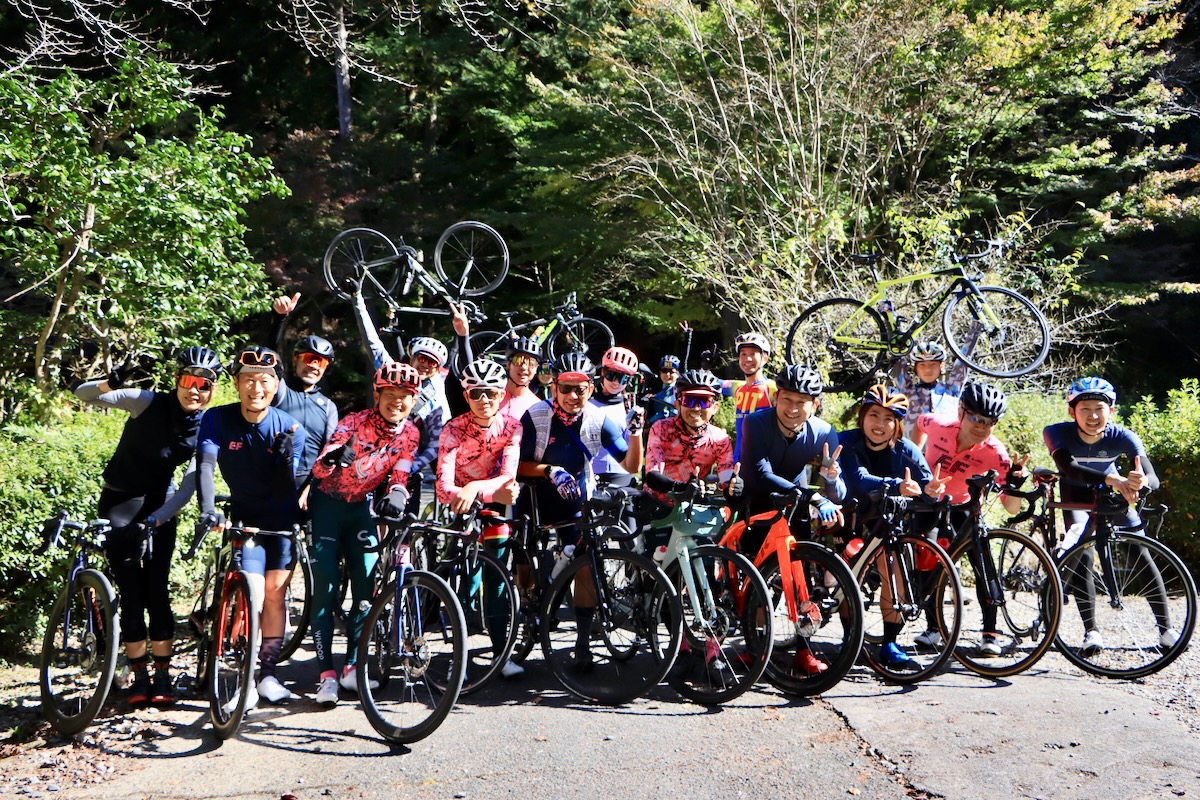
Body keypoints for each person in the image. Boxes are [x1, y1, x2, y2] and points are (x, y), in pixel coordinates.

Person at [74, 346, 223, 707]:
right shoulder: (146, 401)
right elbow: (83, 394)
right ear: (177, 381)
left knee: (157, 591)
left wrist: (158, 519)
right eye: (189, 381)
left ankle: (161, 675)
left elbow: (192, 482)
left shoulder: (206, 425)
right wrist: (108, 383)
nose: (195, 390)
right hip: (120, 503)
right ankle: (138, 673)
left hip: (160, 506)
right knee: (132, 591)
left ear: (212, 390)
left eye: (204, 385)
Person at [516, 352, 644, 669]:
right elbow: (515, 465)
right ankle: (528, 611)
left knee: (585, 562)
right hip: (535, 494)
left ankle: (583, 642)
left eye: (581, 388)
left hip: (576, 498)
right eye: (567, 388)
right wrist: (549, 470)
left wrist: (637, 432)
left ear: (591, 387)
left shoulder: (600, 419)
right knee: (524, 557)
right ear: (555, 386)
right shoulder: (536, 416)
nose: (574, 396)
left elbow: (630, 465)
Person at [306, 361, 423, 706]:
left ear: (414, 400)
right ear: (377, 394)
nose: (397, 402)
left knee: (366, 589)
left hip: (359, 509)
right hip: (326, 505)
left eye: (405, 396)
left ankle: (353, 668)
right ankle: (326, 675)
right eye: (390, 394)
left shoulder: (411, 433)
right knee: (326, 588)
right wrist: (333, 457)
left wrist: (397, 497)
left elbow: (400, 475)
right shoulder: (354, 422)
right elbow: (319, 465)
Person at [196, 346, 305, 708]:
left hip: (281, 519)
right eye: (248, 381)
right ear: (236, 384)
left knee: (274, 593)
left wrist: (284, 460)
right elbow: (206, 465)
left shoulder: (289, 427)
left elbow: (287, 488)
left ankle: (268, 674)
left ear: (275, 387)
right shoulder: (216, 419)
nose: (256, 388)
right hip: (244, 517)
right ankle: (244, 680)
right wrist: (209, 509)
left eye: (264, 381)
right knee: (253, 590)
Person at [1043, 377, 1177, 651]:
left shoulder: (1123, 435)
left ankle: (1166, 630)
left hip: (1111, 495)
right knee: (1082, 551)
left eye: (1099, 408)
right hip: (1077, 494)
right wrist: (1115, 480)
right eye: (1085, 409)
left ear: (1111, 411)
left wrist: (1140, 485)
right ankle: (1091, 632)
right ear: (1072, 412)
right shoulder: (1056, 432)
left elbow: (1152, 477)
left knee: (1141, 552)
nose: (1093, 416)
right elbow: (1069, 468)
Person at [738, 364, 844, 675]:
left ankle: (803, 648)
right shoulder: (757, 422)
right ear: (776, 397)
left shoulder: (823, 433)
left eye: (802, 401)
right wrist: (812, 495)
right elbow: (758, 472)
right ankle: (752, 643)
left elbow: (837, 489)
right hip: (757, 498)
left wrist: (831, 480)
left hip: (794, 505)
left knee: (799, 579)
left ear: (815, 404)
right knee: (755, 578)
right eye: (787, 399)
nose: (793, 408)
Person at [837, 384, 946, 670]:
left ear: (897, 424)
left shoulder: (906, 448)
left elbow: (925, 485)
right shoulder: (846, 441)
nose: (880, 424)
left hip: (886, 522)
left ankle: (889, 642)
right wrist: (897, 485)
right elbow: (859, 478)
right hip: (851, 517)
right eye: (874, 415)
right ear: (862, 416)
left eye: (889, 419)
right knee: (849, 576)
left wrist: (932, 491)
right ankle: (850, 639)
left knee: (895, 572)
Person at [916, 380, 1026, 655]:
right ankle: (934, 628)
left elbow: (1011, 508)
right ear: (961, 411)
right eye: (975, 417)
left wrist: (1014, 482)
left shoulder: (996, 453)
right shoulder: (939, 425)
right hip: (928, 502)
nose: (980, 426)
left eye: (989, 422)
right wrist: (914, 456)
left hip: (964, 508)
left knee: (983, 566)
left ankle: (990, 633)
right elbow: (919, 423)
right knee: (927, 564)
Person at [436, 358, 524, 678]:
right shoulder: (453, 429)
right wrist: (474, 492)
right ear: (466, 395)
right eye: (476, 394)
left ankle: (501, 654)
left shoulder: (512, 426)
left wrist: (475, 487)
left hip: (491, 509)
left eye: (491, 393)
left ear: (502, 394)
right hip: (461, 507)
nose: (484, 400)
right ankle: (459, 656)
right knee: (463, 582)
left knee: (497, 582)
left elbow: (508, 477)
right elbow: (444, 486)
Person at [642, 369, 739, 548]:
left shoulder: (719, 438)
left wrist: (735, 486)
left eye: (704, 401)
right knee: (655, 569)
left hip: (692, 506)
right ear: (678, 404)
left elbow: (726, 480)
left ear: (715, 407)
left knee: (705, 561)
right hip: (657, 503)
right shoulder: (661, 429)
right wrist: (681, 487)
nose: (696, 408)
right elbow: (652, 475)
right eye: (689, 400)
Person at [268, 292, 340, 491]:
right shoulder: (281, 390)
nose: (315, 366)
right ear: (295, 359)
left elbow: (329, 452)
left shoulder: (328, 407)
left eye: (322, 362)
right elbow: (269, 359)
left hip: (308, 488)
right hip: (273, 481)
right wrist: (280, 318)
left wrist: (311, 489)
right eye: (310, 359)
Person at [892, 341, 968, 443]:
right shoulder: (908, 391)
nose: (928, 369)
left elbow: (964, 360)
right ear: (916, 368)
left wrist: (976, 329)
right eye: (922, 365)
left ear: (941, 367)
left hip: (946, 454)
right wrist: (899, 340)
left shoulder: (951, 390)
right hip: (914, 455)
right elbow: (897, 359)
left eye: (933, 365)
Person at [588, 346, 645, 475]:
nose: (616, 383)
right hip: (592, 475)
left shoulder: (631, 408)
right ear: (603, 372)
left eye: (623, 378)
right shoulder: (588, 405)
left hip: (622, 474)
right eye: (611, 375)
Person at [720, 332, 777, 455]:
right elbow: (709, 383)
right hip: (739, 458)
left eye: (753, 354)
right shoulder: (738, 387)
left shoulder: (771, 388)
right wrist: (705, 367)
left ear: (765, 358)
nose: (748, 359)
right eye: (743, 354)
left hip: (765, 460)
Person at [498, 336, 544, 422]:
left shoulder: (537, 406)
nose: (524, 367)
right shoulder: (492, 396)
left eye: (531, 362)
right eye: (518, 360)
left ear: (536, 368)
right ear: (508, 364)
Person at [645, 355, 681, 428]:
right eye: (664, 371)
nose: (667, 375)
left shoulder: (681, 391)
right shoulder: (656, 391)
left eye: (671, 371)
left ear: (677, 373)